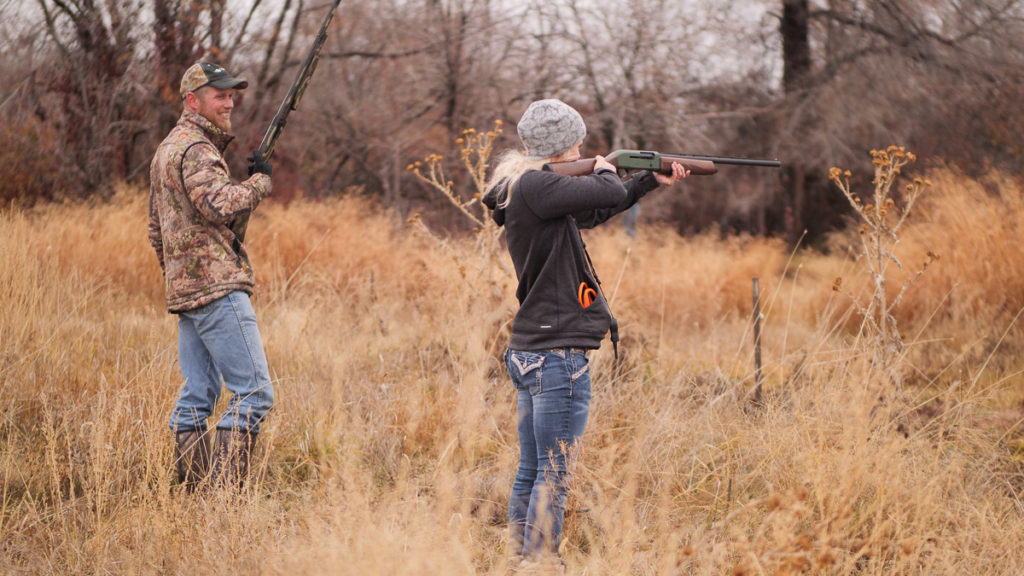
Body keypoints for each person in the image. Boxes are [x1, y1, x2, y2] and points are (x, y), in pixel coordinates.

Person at [481, 99, 688, 568]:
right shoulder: (537, 184)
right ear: (562, 146)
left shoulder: (528, 188)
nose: (584, 145)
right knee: (553, 471)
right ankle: (538, 563)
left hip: (535, 349)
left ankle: (521, 559)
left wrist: (645, 180)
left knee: (534, 467)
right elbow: (603, 191)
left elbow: (595, 208)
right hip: (556, 355)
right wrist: (604, 167)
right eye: (578, 141)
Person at [148, 61, 275, 491]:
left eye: (230, 94)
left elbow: (155, 228)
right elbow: (219, 205)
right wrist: (260, 182)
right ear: (192, 101)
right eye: (219, 95)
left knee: (198, 396)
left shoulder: (167, 148)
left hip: (187, 292)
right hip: (217, 289)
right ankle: (222, 499)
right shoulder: (197, 148)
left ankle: (192, 494)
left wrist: (179, 276)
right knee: (254, 394)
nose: (229, 102)